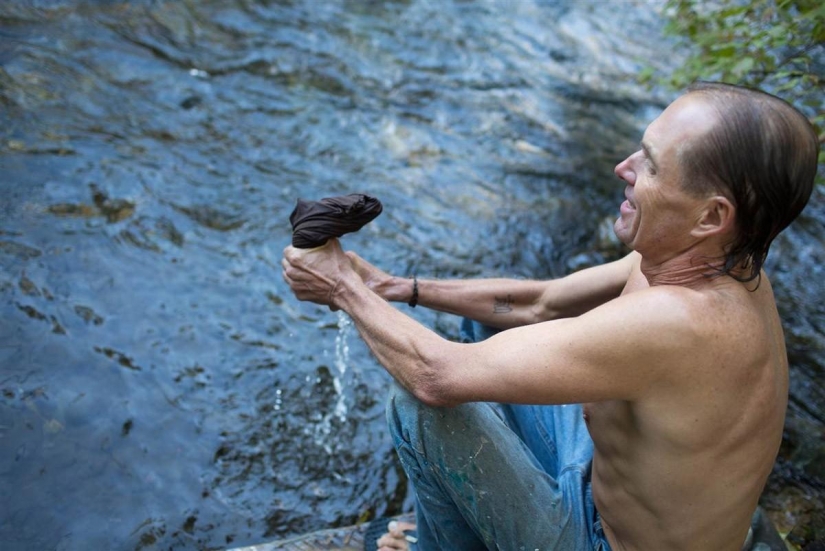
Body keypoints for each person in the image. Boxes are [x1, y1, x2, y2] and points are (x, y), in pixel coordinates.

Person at [281, 82, 819, 550]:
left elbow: (433, 378)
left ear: (711, 216)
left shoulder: (683, 323)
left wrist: (343, 289)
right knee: (491, 328)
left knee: (421, 410)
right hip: (600, 484)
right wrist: (392, 287)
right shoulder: (717, 260)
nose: (623, 169)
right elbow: (542, 303)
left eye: (650, 165)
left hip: (607, 541)